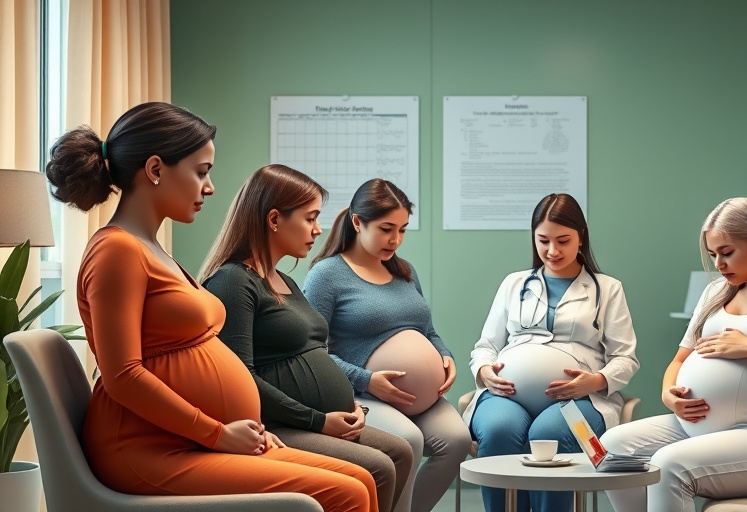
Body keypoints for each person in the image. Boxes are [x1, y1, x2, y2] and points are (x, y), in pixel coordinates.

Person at [45, 102, 377, 511]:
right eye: (201, 171)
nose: (210, 187)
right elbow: (123, 376)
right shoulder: (116, 251)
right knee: (346, 493)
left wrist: (236, 427)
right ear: (155, 170)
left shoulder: (151, 249)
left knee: (360, 479)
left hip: (189, 437)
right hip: (145, 447)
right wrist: (217, 433)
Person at [200, 164, 415, 512]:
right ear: (274, 219)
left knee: (400, 452)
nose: (318, 229)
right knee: (377, 466)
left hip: (320, 419)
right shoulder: (234, 281)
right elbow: (238, 379)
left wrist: (351, 407)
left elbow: (314, 356)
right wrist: (318, 421)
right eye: (310, 218)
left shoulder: (285, 280)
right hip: (279, 425)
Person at [600, 197, 747, 512]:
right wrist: (670, 396)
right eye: (713, 255)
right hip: (699, 427)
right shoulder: (715, 293)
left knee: (670, 465)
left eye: (727, 253)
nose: (718, 264)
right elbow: (680, 360)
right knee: (613, 449)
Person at [304, 178, 472, 512]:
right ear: (357, 222)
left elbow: (427, 329)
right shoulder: (327, 276)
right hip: (361, 395)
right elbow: (312, 354)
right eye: (385, 229)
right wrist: (367, 381)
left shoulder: (404, 272)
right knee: (408, 442)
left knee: (458, 441)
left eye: (403, 229)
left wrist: (444, 355)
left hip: (421, 399)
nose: (395, 239)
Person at [465, 193, 640, 512]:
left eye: (563, 240)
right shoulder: (514, 283)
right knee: (498, 431)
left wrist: (596, 381)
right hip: (507, 396)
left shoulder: (607, 288)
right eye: (543, 240)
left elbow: (626, 359)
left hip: (578, 400)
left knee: (549, 434)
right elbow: (485, 346)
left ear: (581, 238)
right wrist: (485, 372)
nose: (552, 250)